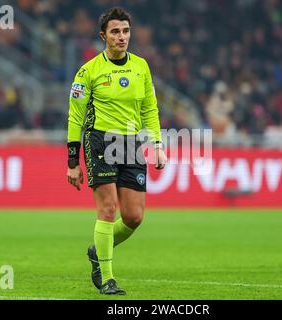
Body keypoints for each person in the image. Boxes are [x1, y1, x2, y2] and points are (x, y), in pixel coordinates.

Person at [66, 7, 167, 295]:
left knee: (134, 217)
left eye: (125, 31)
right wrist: (73, 161)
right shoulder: (88, 71)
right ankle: (107, 279)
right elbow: (75, 117)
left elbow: (150, 108)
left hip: (132, 144)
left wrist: (157, 145)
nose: (122, 37)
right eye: (115, 31)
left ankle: (98, 251)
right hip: (100, 141)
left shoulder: (141, 67)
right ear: (103, 36)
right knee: (108, 209)